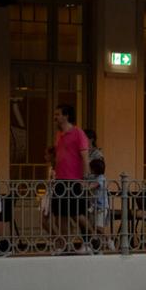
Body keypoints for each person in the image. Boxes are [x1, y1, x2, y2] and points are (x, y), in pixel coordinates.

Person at [52, 104, 92, 247]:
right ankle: (65, 245)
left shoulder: (78, 133)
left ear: (66, 116)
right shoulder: (59, 135)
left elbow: (85, 157)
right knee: (60, 215)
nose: (55, 117)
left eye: (58, 114)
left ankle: (92, 239)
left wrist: (85, 180)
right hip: (60, 180)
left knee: (77, 213)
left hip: (74, 180)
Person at [87, 155, 110, 254]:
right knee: (93, 227)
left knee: (98, 228)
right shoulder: (96, 177)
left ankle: (109, 240)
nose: (90, 170)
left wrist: (85, 187)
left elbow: (94, 185)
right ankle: (97, 248)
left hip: (101, 207)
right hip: (95, 206)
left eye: (91, 168)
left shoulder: (101, 178)